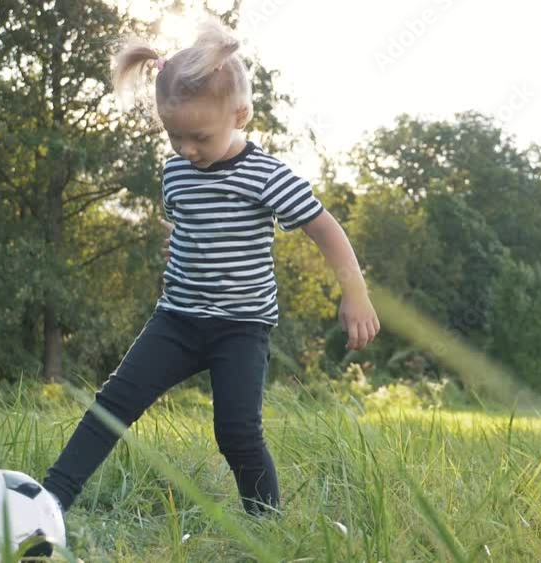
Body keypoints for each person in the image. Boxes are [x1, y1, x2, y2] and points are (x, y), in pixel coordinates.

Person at [42, 17, 380, 519]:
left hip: (241, 327)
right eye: (173, 135)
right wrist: (179, 245)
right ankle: (49, 499)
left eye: (198, 136)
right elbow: (181, 221)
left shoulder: (266, 175)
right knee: (111, 405)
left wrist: (355, 293)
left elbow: (325, 228)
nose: (186, 150)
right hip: (176, 320)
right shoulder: (175, 168)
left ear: (239, 114)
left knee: (237, 432)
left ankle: (266, 524)